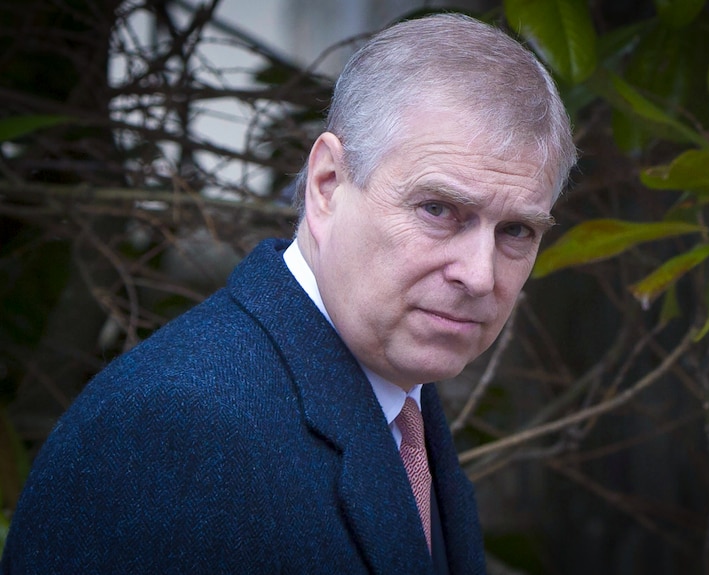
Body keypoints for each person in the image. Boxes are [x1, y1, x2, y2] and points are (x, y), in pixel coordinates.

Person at [1, 12, 576, 575]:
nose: (479, 275)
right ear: (327, 185)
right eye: (438, 210)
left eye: (516, 231)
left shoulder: (401, 400)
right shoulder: (173, 427)